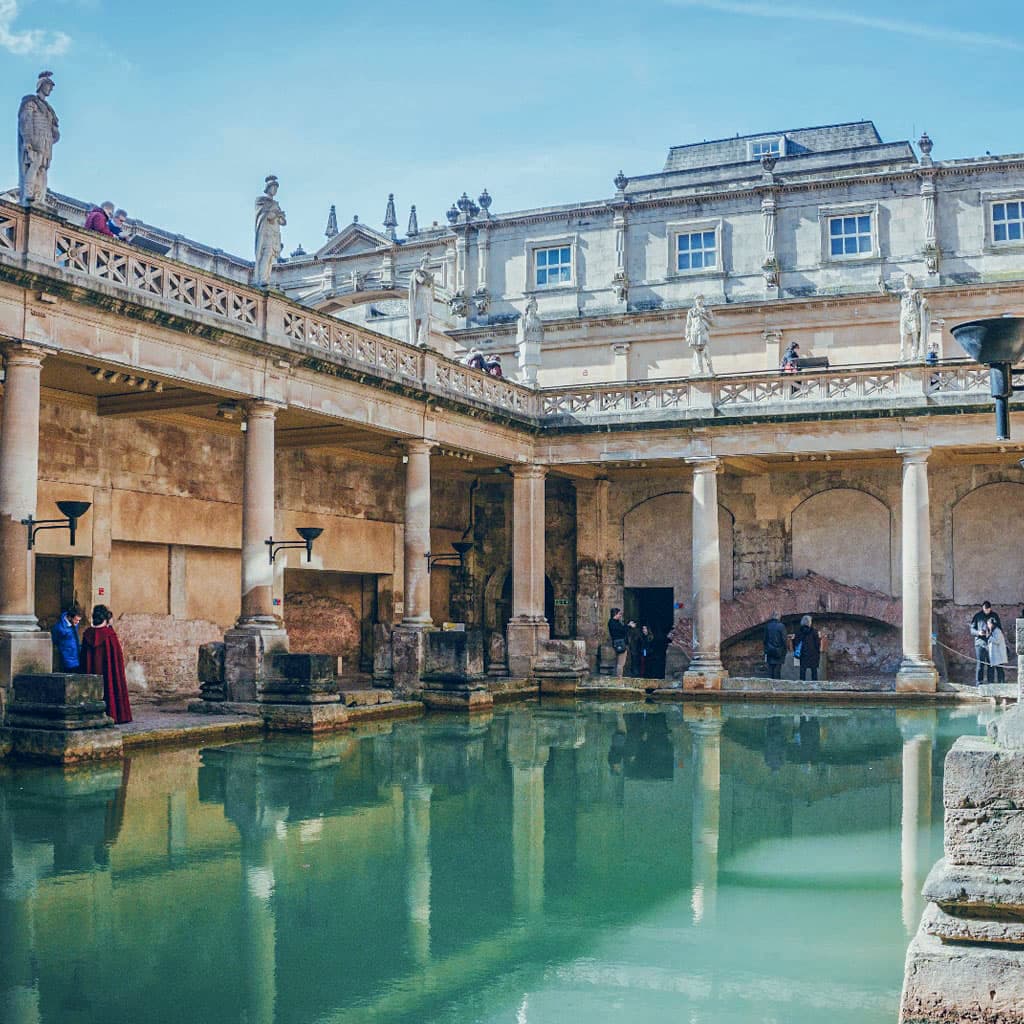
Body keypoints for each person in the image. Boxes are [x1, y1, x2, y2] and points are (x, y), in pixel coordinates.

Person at [82, 605, 132, 724]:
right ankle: (114, 713)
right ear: (106, 618)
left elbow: (84, 657)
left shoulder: (87, 634)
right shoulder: (109, 634)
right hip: (107, 671)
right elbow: (117, 659)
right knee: (111, 685)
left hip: (92, 672)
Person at [971, 602, 1000, 685]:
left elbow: (999, 628)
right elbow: (972, 630)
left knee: (991, 664)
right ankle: (979, 683)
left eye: (988, 609)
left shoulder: (994, 616)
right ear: (982, 608)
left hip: (991, 643)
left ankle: (991, 683)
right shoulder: (977, 616)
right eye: (985, 609)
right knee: (980, 664)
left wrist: (992, 630)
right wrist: (978, 633)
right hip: (980, 643)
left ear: (990, 608)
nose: (986, 611)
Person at [51, 604, 83, 671]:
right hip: (67, 659)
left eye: (79, 620)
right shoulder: (60, 628)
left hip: (76, 656)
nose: (77, 622)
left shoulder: (74, 623)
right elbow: (55, 640)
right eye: (76, 620)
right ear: (70, 617)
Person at [608, 608, 634, 678]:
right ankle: (619, 678)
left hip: (618, 643)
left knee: (619, 662)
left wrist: (628, 625)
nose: (620, 615)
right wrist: (629, 626)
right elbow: (622, 630)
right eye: (619, 614)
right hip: (620, 644)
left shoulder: (614, 622)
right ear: (615, 614)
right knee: (620, 663)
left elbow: (622, 629)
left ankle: (618, 677)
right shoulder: (613, 623)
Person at [794, 614, 821, 682]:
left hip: (803, 654)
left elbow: (795, 643)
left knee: (802, 670)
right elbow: (817, 644)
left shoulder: (798, 632)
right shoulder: (814, 631)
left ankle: (802, 684)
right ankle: (815, 685)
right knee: (814, 671)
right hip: (813, 654)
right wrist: (817, 652)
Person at [763, 612, 787, 680]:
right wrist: (785, 650)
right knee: (777, 671)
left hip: (770, 651)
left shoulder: (768, 626)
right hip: (779, 651)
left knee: (770, 671)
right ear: (778, 617)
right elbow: (784, 640)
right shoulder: (781, 626)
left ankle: (770, 685)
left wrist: (766, 648)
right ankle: (777, 685)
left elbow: (765, 639)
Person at [987, 616, 1009, 686]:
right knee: (995, 669)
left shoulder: (997, 631)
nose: (988, 626)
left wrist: (989, 637)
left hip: (999, 655)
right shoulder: (993, 631)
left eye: (988, 624)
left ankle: (1002, 683)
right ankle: (994, 683)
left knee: (999, 669)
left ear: (992, 624)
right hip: (995, 655)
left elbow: (997, 641)